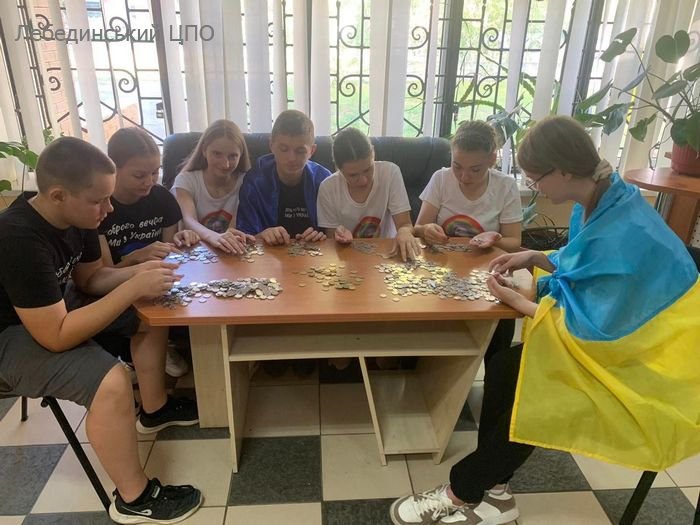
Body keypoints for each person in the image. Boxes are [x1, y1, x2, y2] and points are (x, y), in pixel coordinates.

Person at [389, 116, 700, 525]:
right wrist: (538, 257)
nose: (536, 189)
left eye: (536, 180)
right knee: (504, 368)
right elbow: (591, 268)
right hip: (620, 340)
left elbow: (589, 331)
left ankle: (461, 491)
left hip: (650, 362)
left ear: (564, 172)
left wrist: (518, 302)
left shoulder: (621, 226)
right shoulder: (603, 196)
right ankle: (498, 492)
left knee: (540, 391)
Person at [0, 137, 202, 524]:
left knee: (150, 313)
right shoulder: (18, 238)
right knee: (110, 382)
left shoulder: (77, 217)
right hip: (10, 335)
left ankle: (155, 409)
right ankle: (134, 498)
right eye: (99, 201)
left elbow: (91, 278)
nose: (108, 209)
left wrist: (139, 272)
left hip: (52, 308)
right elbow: (56, 335)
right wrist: (132, 286)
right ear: (58, 195)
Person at [95, 128, 201, 420]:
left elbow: (169, 252)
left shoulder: (162, 198)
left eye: (155, 172)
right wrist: (136, 258)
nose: (150, 181)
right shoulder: (99, 207)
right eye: (139, 175)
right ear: (114, 168)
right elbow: (101, 276)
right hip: (117, 286)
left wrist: (181, 240)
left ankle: (153, 357)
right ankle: (146, 377)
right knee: (150, 310)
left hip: (157, 282)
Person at [414, 120, 523, 252]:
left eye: (475, 169)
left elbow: (514, 241)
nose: (464, 177)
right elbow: (417, 229)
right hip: (441, 260)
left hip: (486, 261)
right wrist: (425, 230)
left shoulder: (506, 186)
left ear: (492, 159)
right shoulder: (441, 178)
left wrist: (494, 241)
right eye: (457, 166)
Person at [317, 127, 422, 261]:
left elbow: (405, 224)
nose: (363, 180)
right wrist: (340, 236)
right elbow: (331, 238)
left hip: (388, 255)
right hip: (348, 258)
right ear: (338, 168)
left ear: (373, 153)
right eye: (353, 175)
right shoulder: (327, 188)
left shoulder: (390, 173)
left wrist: (404, 232)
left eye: (368, 169)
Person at [236, 109, 330, 246]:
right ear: (271, 145)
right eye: (284, 149)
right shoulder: (255, 181)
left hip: (313, 255)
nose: (291, 158)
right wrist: (262, 235)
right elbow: (244, 237)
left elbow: (335, 233)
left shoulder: (324, 181)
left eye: (300, 151)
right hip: (268, 256)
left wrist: (322, 236)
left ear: (312, 151)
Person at [172, 119, 254, 255]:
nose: (225, 164)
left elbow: (233, 230)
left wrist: (227, 237)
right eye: (217, 154)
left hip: (231, 254)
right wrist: (214, 237)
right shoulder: (186, 180)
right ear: (204, 150)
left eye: (233, 156)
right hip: (195, 254)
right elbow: (189, 220)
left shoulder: (247, 181)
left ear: (241, 155)